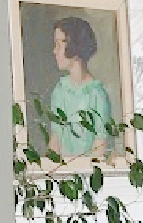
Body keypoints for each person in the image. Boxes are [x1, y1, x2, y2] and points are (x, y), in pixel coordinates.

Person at [48, 16, 114, 158]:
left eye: (59, 44)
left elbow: (100, 148)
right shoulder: (59, 91)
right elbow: (55, 141)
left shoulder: (97, 95)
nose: (54, 51)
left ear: (75, 45)